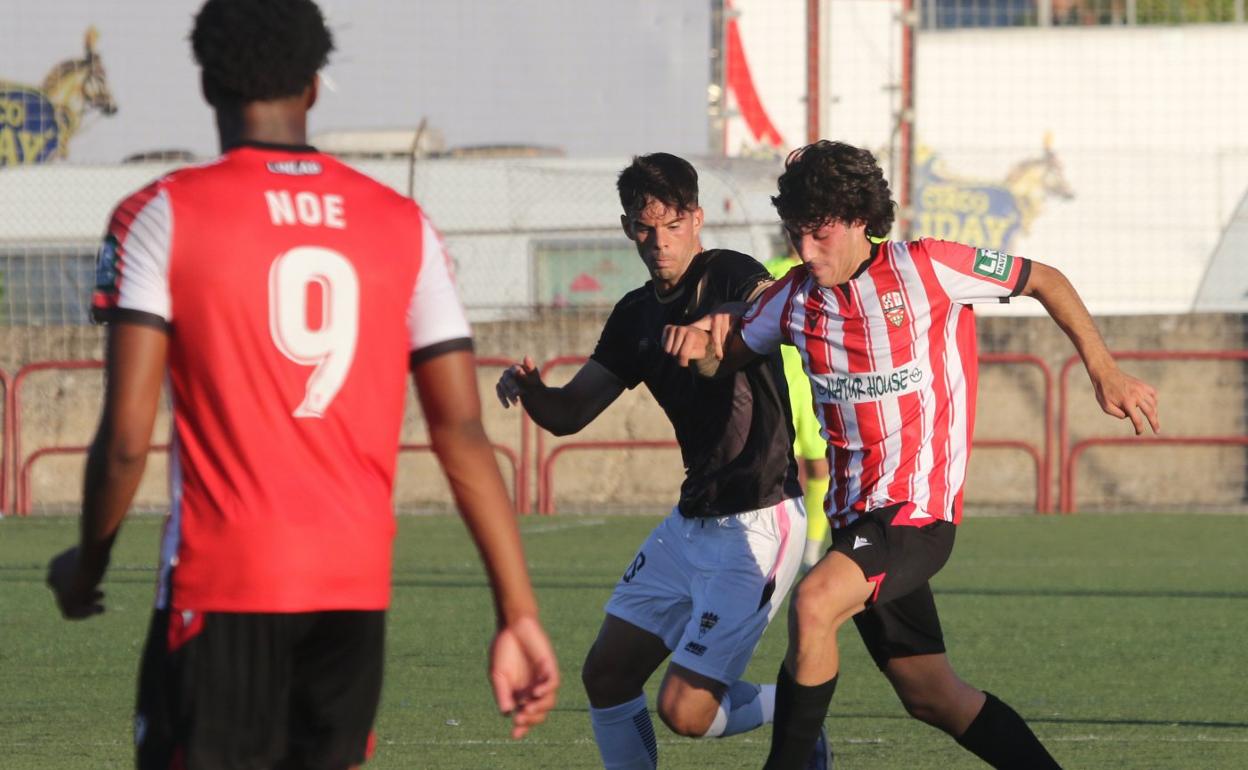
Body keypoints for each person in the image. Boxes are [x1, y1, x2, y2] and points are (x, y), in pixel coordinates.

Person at [45, 1, 559, 766]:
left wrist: (87, 563)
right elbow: (460, 430)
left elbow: (125, 439)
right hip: (352, 595)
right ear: (315, 86)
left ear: (208, 83)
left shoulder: (157, 215)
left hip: (223, 585)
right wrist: (517, 612)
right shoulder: (403, 224)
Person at [663, 140, 1160, 769]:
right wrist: (696, 344)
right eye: (795, 234)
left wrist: (1104, 369)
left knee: (815, 603)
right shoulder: (792, 300)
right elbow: (724, 353)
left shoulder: (928, 268)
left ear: (860, 220)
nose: (805, 250)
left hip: (917, 515)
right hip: (855, 524)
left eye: (817, 234)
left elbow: (1046, 280)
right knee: (932, 696)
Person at [496, 153, 828, 769]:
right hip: (691, 523)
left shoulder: (729, 274)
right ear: (629, 228)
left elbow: (771, 305)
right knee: (607, 675)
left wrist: (716, 329)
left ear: (697, 220)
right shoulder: (634, 316)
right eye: (644, 229)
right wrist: (534, 392)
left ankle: (799, 707)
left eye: (671, 226)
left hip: (760, 519)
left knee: (686, 713)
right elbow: (570, 413)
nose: (658, 242)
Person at [764, 240, 831, 570]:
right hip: (783, 382)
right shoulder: (773, 269)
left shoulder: (824, 269)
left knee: (820, 466)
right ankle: (786, 541)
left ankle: (812, 547)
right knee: (790, 468)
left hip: (813, 382)